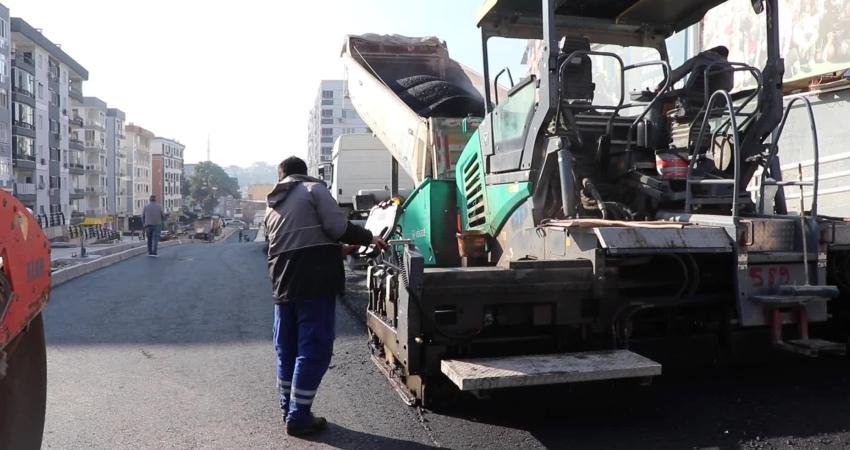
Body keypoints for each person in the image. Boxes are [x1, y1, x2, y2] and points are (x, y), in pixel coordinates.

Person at [265, 156, 386, 436]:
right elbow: (338, 227)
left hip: (282, 281)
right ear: (303, 173)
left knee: (288, 348)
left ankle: (288, 409)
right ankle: (299, 416)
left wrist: (338, 250)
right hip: (314, 279)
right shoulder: (313, 189)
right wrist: (369, 238)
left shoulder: (273, 203)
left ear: (281, 176)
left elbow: (294, 241)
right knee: (314, 347)